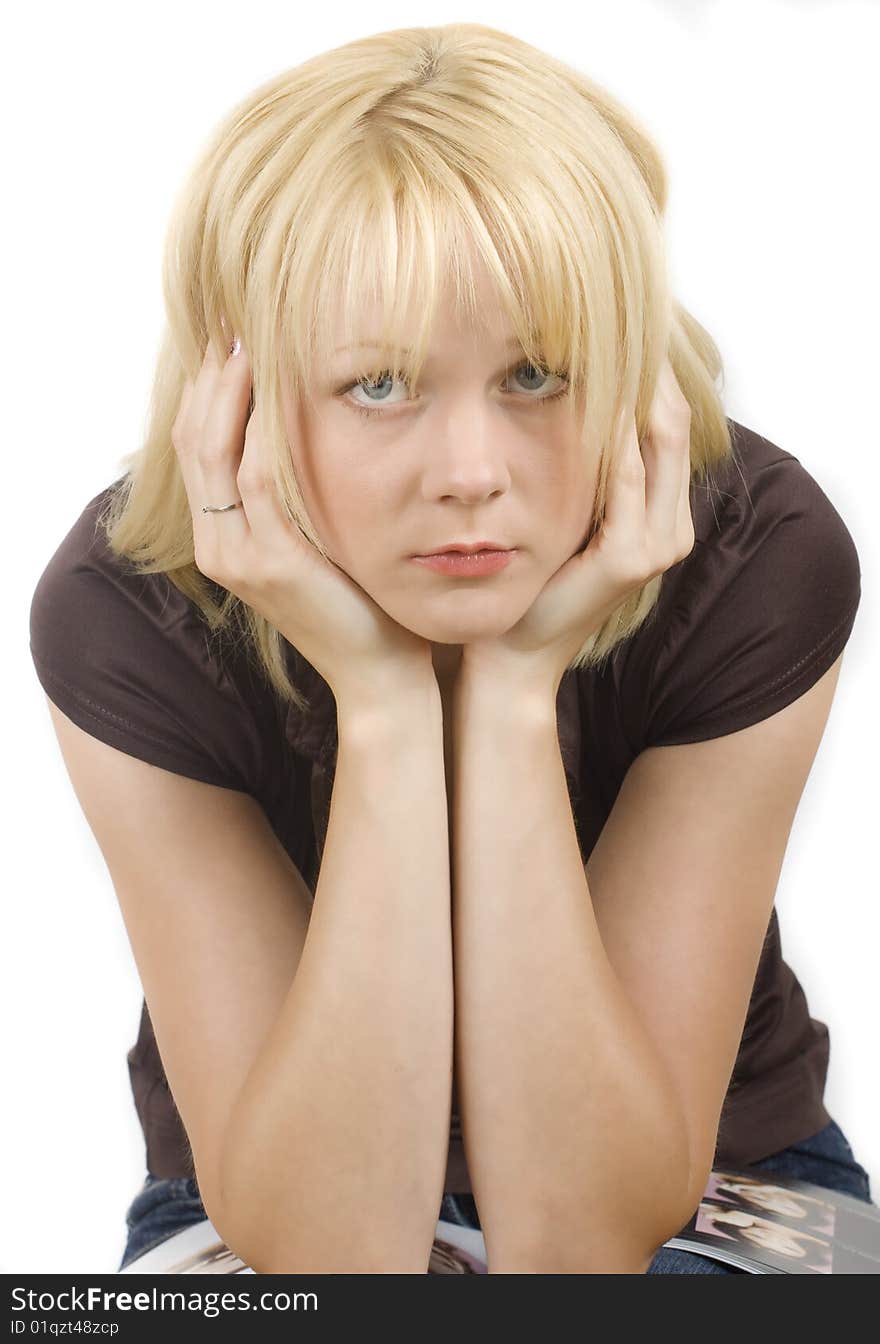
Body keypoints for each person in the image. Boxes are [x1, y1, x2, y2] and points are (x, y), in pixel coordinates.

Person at [29, 22, 874, 1275]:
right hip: (262, 1203)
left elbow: (583, 1243)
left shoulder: (753, 554)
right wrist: (377, 700)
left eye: (539, 372)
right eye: (380, 386)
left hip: (720, 1187)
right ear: (239, 397)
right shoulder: (127, 610)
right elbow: (329, 1256)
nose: (473, 476)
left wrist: (516, 687)